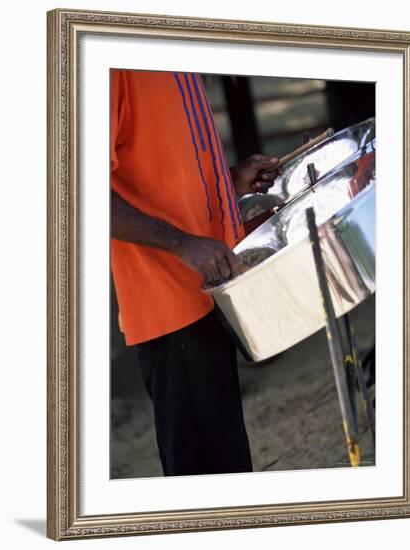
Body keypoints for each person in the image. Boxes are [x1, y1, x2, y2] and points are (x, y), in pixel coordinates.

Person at [110, 69, 280, 476]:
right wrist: (182, 245)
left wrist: (229, 180)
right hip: (169, 311)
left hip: (210, 295)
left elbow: (168, 166)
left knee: (229, 469)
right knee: (204, 486)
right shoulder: (114, 63)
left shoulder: (177, 61)